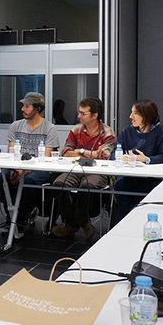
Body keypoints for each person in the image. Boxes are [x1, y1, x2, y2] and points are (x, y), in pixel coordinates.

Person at [51, 97, 116, 240]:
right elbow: (66, 152)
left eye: (83, 113)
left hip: (97, 171)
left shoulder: (107, 132)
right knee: (58, 184)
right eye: (79, 112)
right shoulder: (76, 129)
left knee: (87, 185)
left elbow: (103, 156)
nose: (79, 116)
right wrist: (91, 154)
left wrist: (80, 151)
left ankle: (80, 220)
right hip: (75, 168)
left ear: (95, 115)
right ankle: (74, 222)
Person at [0, 92, 59, 229]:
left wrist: (23, 171)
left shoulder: (49, 128)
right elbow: (12, 152)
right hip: (17, 166)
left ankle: (22, 218)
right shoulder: (15, 126)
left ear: (38, 109)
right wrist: (15, 169)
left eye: (27, 106)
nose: (22, 109)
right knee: (0, 180)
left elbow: (46, 157)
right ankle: (13, 214)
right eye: (23, 105)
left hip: (39, 168)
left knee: (28, 181)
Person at [112, 99, 163, 224]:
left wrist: (146, 159)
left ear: (146, 115)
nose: (130, 116)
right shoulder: (126, 131)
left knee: (137, 202)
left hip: (150, 179)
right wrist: (121, 157)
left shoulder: (160, 130)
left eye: (135, 113)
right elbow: (113, 153)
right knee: (120, 187)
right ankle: (120, 227)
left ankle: (134, 225)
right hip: (128, 177)